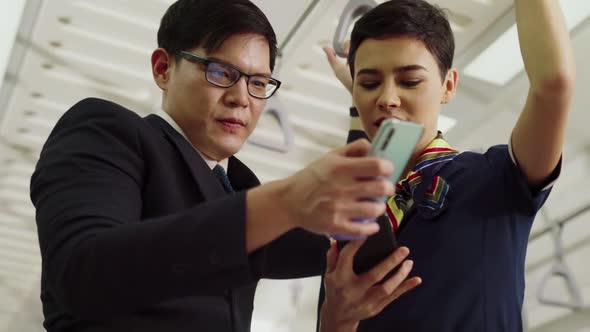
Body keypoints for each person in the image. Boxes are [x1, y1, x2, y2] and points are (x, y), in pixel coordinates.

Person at [29, 0, 422, 331]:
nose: (242, 98)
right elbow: (82, 274)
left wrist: (365, 99)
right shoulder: (110, 131)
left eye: (258, 82)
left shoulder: (238, 186)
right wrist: (285, 200)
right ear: (163, 68)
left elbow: (353, 234)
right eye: (221, 72)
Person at [318, 0, 574, 331]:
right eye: (369, 84)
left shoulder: (495, 180)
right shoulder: (355, 227)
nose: (387, 98)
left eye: (409, 81)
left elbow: (553, 85)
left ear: (448, 86)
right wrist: (336, 318)